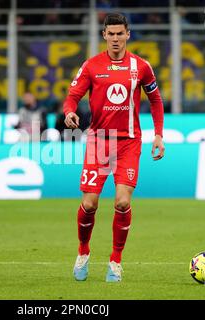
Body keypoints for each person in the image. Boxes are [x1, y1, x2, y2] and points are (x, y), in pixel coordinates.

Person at [63, 13, 165, 282]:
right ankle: (83, 252)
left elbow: (155, 100)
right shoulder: (91, 66)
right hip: (100, 140)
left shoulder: (141, 67)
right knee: (89, 203)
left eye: (121, 33)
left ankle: (115, 262)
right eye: (112, 34)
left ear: (128, 34)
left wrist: (158, 135)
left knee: (121, 202)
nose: (116, 38)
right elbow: (73, 96)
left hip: (129, 143)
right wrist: (68, 112)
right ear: (104, 35)